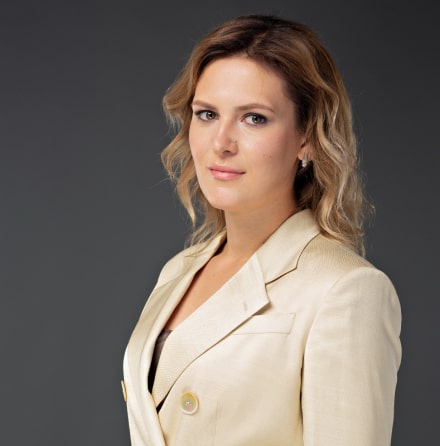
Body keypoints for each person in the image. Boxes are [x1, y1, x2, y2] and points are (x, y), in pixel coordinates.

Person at [122, 14, 401, 446]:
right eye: (207, 114)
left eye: (254, 118)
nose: (221, 143)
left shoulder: (346, 290)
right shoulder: (179, 270)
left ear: (307, 137)